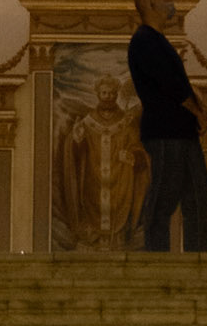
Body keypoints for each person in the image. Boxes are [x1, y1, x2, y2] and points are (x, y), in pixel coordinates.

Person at [126, 0, 207, 252]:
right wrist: (198, 111)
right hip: (165, 133)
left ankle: (199, 261)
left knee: (199, 198)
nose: (171, 1)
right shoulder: (144, 40)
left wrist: (197, 108)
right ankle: (156, 263)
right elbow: (170, 84)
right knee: (163, 198)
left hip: (181, 132)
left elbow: (178, 82)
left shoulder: (158, 40)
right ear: (151, 5)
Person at [55, 75, 148, 252]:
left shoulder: (126, 122)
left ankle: (117, 239)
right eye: (104, 93)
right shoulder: (88, 121)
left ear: (116, 94)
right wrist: (77, 138)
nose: (108, 97)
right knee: (92, 204)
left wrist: (132, 155)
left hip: (120, 176)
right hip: (93, 175)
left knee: (118, 205)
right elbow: (74, 148)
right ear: (98, 94)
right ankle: (94, 240)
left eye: (111, 93)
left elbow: (138, 147)